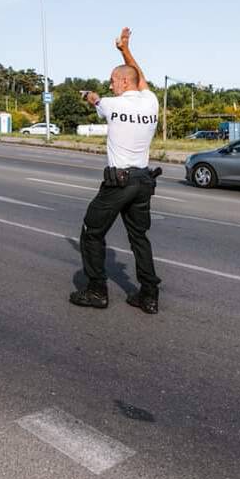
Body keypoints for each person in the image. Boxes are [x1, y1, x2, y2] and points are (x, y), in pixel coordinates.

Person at [69, 28, 162, 314]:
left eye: (112, 81)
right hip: (144, 181)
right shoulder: (152, 102)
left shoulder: (110, 104)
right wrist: (125, 50)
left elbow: (99, 100)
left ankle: (97, 290)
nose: (110, 86)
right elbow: (140, 77)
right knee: (139, 239)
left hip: (118, 183)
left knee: (91, 233)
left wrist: (92, 97)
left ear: (122, 81)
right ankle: (148, 295)